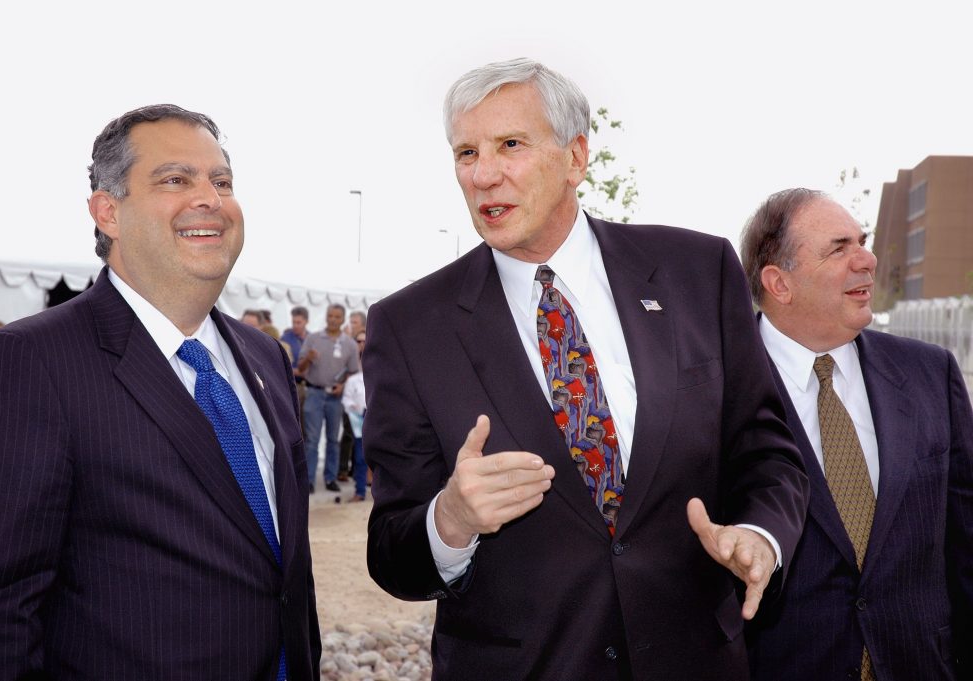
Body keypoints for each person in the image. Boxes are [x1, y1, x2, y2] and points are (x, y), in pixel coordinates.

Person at [362, 58, 808, 680]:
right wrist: (451, 521)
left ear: (575, 157)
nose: (483, 174)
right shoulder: (409, 327)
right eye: (466, 153)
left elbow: (767, 452)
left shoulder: (696, 272)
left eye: (510, 145)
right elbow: (391, 551)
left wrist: (761, 534)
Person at [0, 104, 320, 680]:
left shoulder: (264, 357)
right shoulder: (30, 363)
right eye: (176, 179)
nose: (210, 199)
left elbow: (280, 569)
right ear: (108, 212)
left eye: (221, 181)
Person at [740, 188, 973, 680]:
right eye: (839, 248)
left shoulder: (931, 373)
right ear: (779, 283)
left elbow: (965, 536)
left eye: (862, 242)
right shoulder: (717, 391)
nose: (866, 259)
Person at [298, 303, 359, 493]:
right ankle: (308, 481)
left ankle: (330, 478)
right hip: (314, 393)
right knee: (312, 440)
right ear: (326, 317)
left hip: (335, 397)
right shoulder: (313, 338)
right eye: (330, 316)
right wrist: (308, 357)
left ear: (343, 319)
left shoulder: (349, 344)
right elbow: (300, 368)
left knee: (333, 439)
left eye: (337, 317)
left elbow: (353, 373)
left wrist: (342, 386)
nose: (333, 319)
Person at [342, 330, 368, 502]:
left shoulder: (385, 377)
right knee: (360, 458)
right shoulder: (353, 380)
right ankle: (360, 491)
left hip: (383, 422)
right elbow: (346, 400)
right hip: (361, 420)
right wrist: (356, 408)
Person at [281, 305, 311, 410]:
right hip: (294, 386)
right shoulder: (285, 339)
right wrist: (297, 371)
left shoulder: (312, 338)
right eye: (294, 322)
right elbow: (281, 365)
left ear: (306, 322)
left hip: (311, 387)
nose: (295, 325)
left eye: (299, 322)